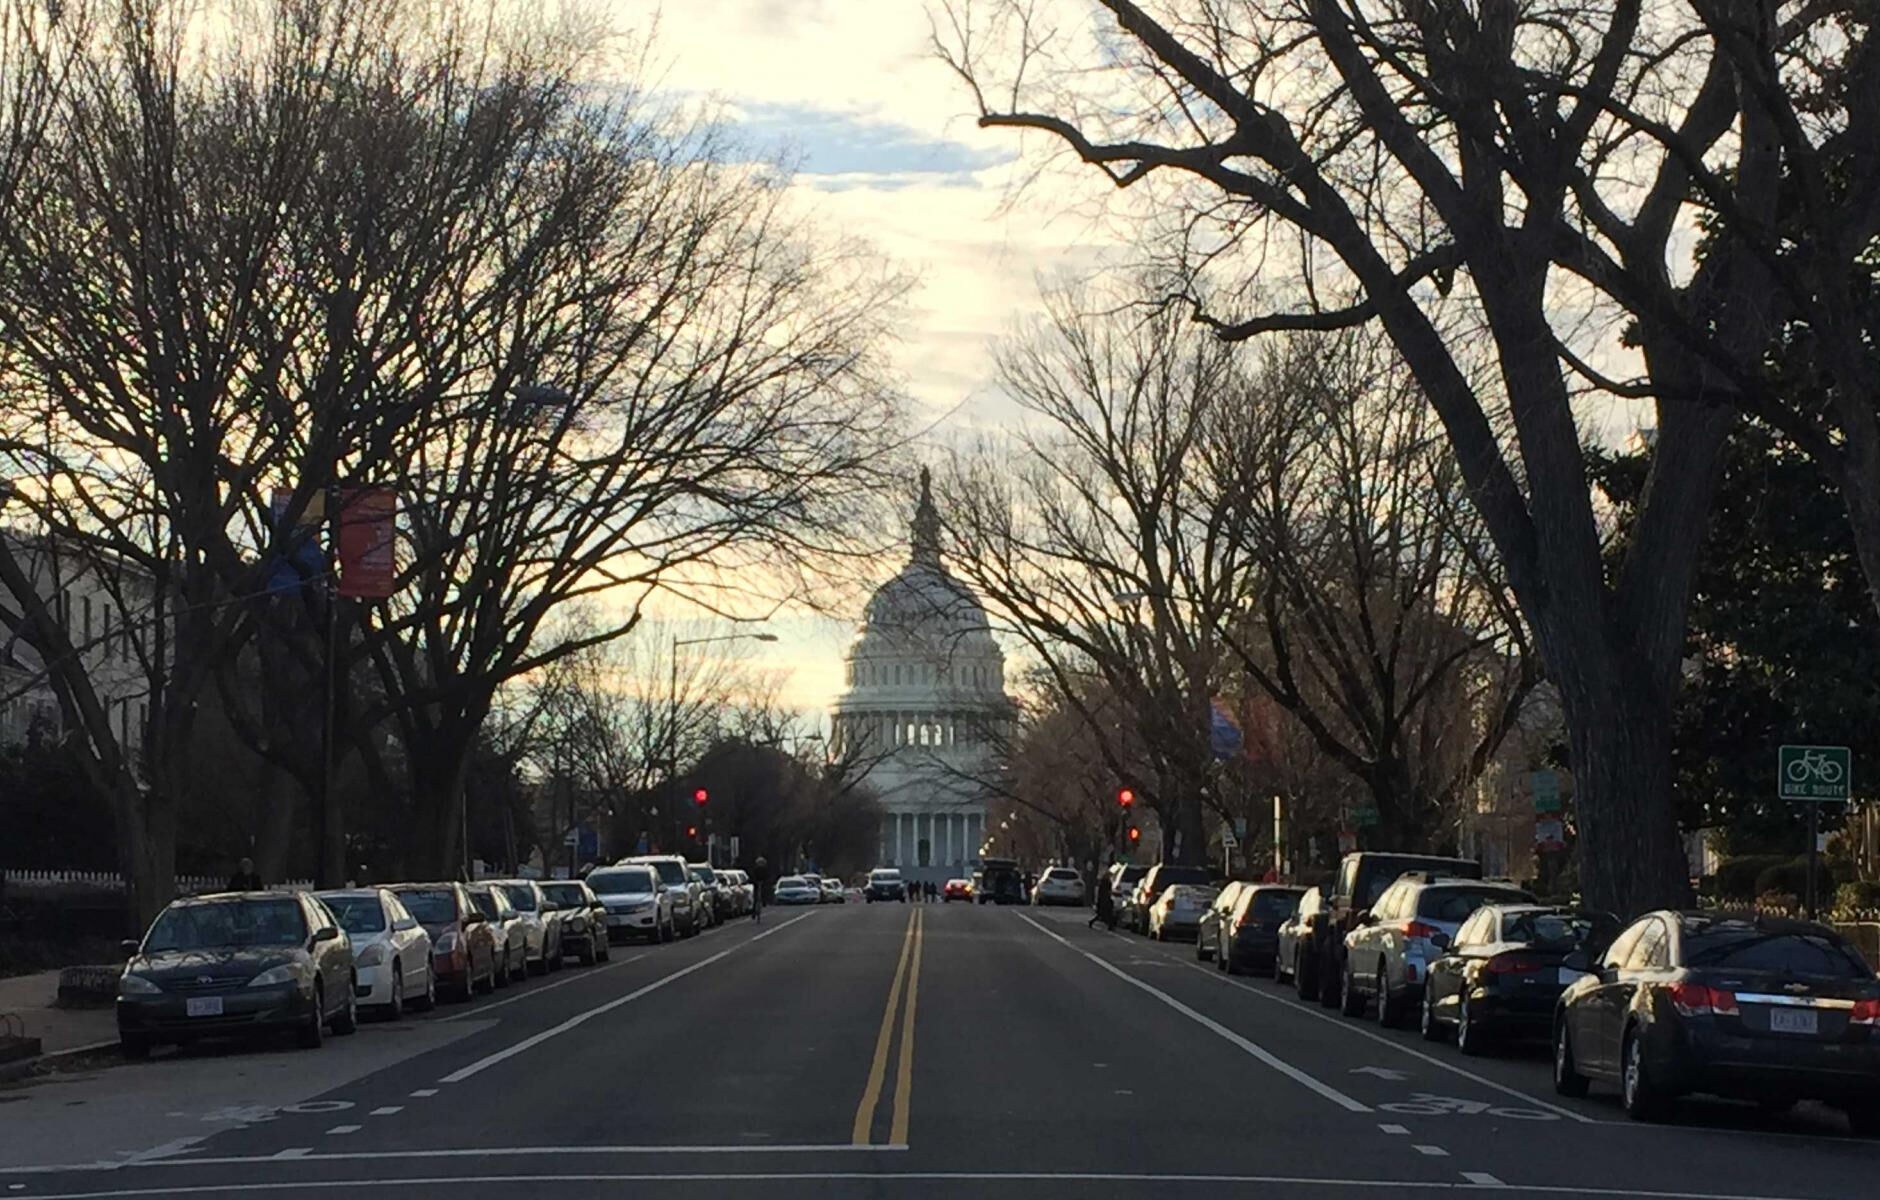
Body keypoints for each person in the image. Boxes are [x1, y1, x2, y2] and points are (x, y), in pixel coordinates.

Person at [749, 856, 769, 923]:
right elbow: (753, 876)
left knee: (764, 891)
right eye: (759, 863)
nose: (760, 864)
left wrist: (765, 882)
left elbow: (767, 877)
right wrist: (754, 881)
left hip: (762, 883)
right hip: (757, 883)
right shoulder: (755, 869)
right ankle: (754, 912)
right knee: (755, 898)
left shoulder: (765, 869)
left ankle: (764, 901)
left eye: (762, 863)